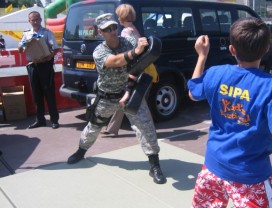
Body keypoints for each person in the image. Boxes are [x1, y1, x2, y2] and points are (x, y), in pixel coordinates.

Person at [188, 17, 272, 207]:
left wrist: (202, 56)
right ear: (266, 49)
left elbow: (193, 93)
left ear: (232, 50)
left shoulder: (216, 73)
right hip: (251, 176)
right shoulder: (270, 87)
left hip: (213, 166)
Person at [67, 13, 166, 184]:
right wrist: (135, 51)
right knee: (94, 126)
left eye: (114, 27)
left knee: (146, 127)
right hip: (107, 97)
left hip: (130, 93)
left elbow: (142, 61)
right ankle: (81, 151)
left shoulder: (127, 42)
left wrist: (144, 44)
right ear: (100, 32)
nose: (113, 31)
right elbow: (116, 61)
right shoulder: (99, 51)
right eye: (108, 29)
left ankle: (155, 165)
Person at [102, 3, 158, 136]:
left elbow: (129, 52)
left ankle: (149, 131)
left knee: (136, 100)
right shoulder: (134, 29)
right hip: (144, 69)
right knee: (125, 99)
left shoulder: (125, 32)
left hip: (135, 71)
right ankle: (112, 128)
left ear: (121, 17)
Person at [18, 11, 60, 129]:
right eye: (33, 20)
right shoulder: (26, 34)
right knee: (36, 95)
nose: (35, 22)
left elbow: (55, 49)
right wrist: (21, 45)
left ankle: (54, 120)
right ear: (29, 21)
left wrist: (49, 56)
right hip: (32, 66)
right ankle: (40, 120)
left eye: (37, 19)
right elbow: (20, 50)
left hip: (45, 66)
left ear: (41, 20)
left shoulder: (47, 33)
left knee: (49, 93)